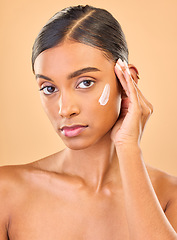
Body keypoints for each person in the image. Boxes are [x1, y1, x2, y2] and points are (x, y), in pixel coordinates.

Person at [0, 4, 177, 240]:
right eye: (49, 88)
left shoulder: (169, 197)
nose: (65, 109)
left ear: (127, 81)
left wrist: (129, 148)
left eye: (85, 82)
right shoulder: (6, 192)